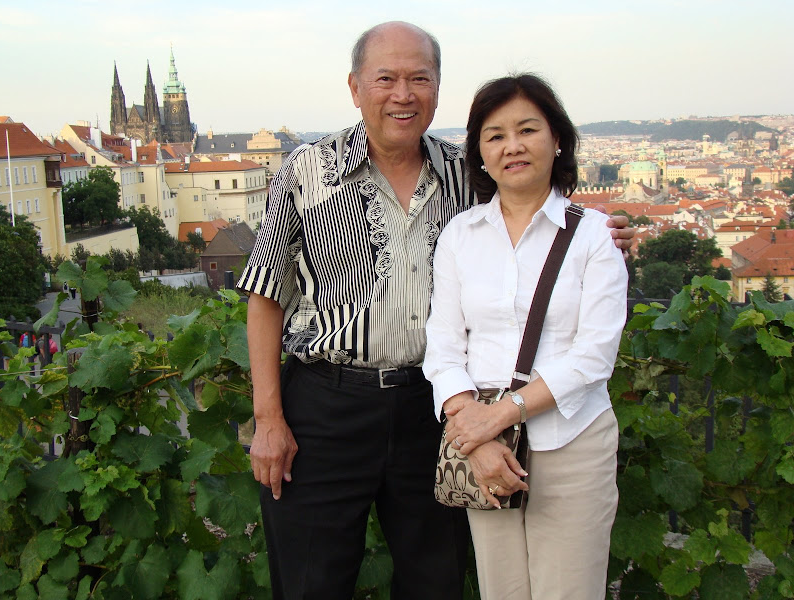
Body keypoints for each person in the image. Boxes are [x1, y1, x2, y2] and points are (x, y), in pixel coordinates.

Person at [236, 23, 634, 600]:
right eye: (386, 79)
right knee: (309, 583)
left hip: (435, 411)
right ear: (355, 87)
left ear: (438, 88)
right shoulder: (306, 170)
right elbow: (265, 294)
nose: (403, 94)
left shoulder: (465, 173)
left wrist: (603, 235)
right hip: (325, 409)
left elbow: (529, 218)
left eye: (419, 78)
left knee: (436, 581)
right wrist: (268, 419)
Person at [423, 73, 629, 600]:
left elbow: (594, 356)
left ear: (556, 139)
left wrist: (497, 417)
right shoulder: (460, 236)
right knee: (501, 590)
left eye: (527, 130)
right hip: (483, 450)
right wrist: (477, 436)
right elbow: (443, 346)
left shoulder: (593, 235)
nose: (512, 146)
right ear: (480, 153)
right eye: (495, 136)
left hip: (571, 442)